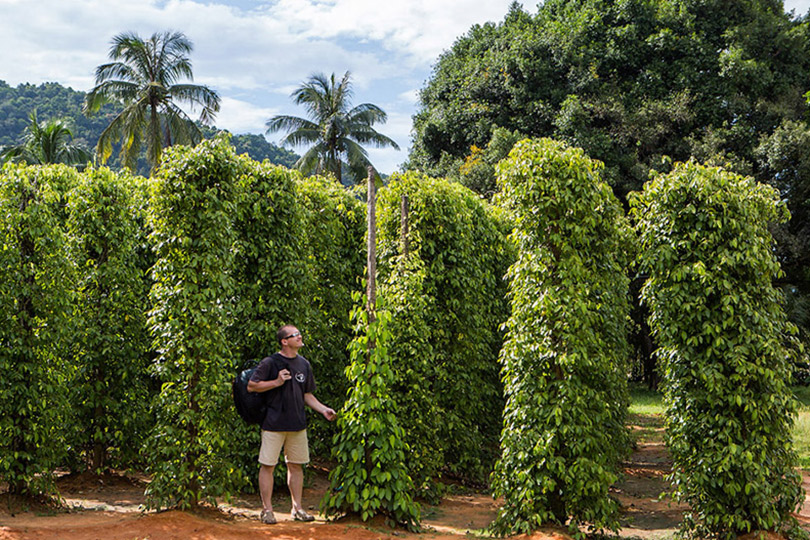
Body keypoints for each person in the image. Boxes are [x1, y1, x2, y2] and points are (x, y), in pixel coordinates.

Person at [247, 324, 337, 524]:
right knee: (268, 465)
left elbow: (307, 394)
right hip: (273, 424)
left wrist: (323, 409)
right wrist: (276, 382)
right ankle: (267, 510)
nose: (299, 336)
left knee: (296, 466)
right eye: (294, 335)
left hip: (297, 425)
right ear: (284, 341)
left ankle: (297, 509)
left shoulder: (304, 364)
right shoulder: (270, 362)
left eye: (299, 334)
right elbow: (252, 385)